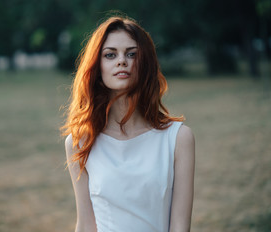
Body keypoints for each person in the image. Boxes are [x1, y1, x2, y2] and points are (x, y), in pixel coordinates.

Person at [62, 15, 195, 232]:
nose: (121, 61)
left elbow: (180, 226)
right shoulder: (79, 142)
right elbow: (86, 224)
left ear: (145, 64)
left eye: (131, 54)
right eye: (110, 55)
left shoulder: (179, 138)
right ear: (98, 67)